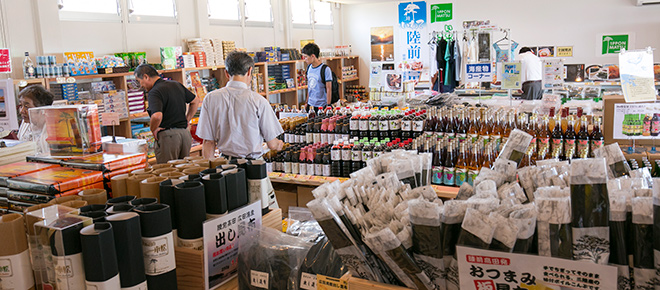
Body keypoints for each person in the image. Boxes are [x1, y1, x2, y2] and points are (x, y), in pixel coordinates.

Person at [196, 51, 284, 160]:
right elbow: (272, 144)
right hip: (253, 166)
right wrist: (279, 144)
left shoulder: (210, 98)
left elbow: (208, 142)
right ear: (249, 71)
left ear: (226, 73)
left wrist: (211, 170)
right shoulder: (258, 101)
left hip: (225, 164)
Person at [135, 64, 201, 164]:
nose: (141, 86)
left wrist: (153, 129)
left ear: (146, 77)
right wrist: (187, 119)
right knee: (184, 173)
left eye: (139, 82)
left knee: (168, 174)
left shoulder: (154, 92)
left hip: (169, 137)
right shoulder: (176, 84)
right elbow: (195, 101)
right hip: (185, 135)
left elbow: (157, 116)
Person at [302, 43, 333, 108]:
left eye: (306, 57)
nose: (304, 59)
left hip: (322, 105)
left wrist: (328, 105)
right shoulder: (309, 68)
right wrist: (306, 103)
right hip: (310, 105)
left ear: (313, 56)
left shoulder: (325, 69)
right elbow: (309, 87)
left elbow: (329, 89)